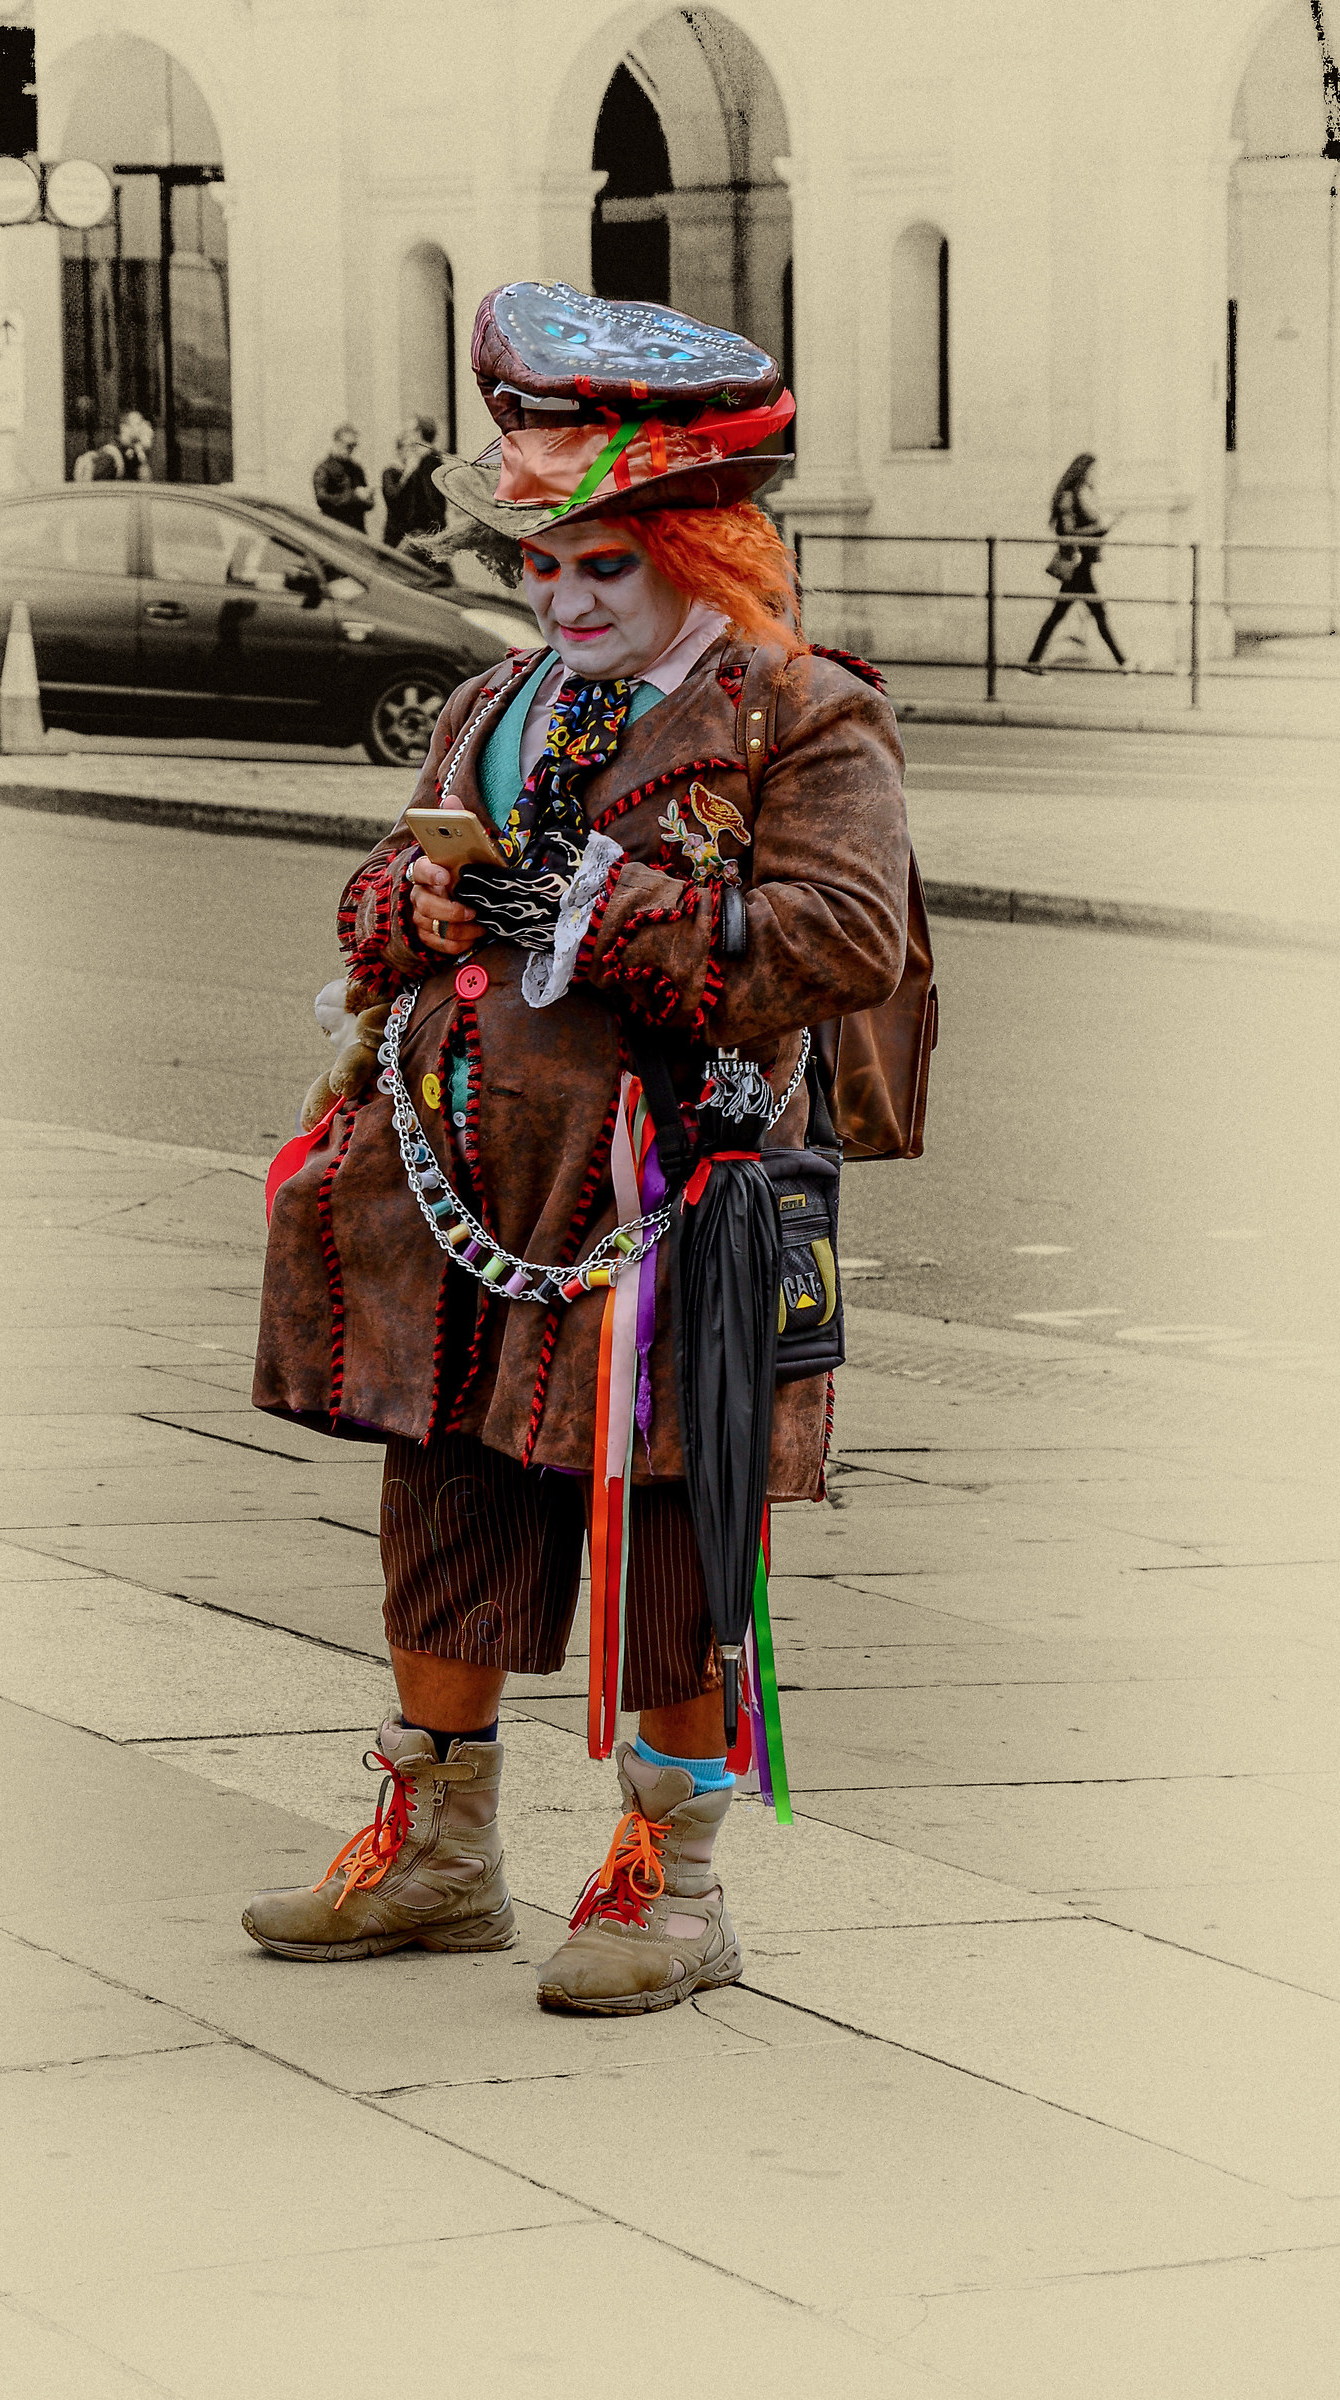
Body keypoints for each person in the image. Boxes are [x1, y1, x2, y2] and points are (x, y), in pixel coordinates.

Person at [245, 281, 910, 2015]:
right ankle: (437, 1856)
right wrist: (414, 895)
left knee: (671, 1538)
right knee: (446, 1500)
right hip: (464, 1204)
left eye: (600, 564)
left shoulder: (800, 713)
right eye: (539, 564)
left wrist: (611, 908)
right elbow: (378, 894)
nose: (560, 598)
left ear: (703, 547)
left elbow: (850, 942)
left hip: (678, 1204)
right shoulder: (494, 703)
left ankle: (666, 1887)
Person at [1023, 452, 1131, 672]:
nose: (1096, 476)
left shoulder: (1084, 496)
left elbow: (1088, 530)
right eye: (1093, 471)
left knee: (1061, 615)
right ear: (1083, 472)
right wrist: (1103, 527)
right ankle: (1124, 663)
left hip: (1083, 565)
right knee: (1094, 613)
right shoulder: (1069, 496)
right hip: (1077, 565)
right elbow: (1069, 532)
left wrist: (1106, 526)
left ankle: (1032, 662)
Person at [380, 414, 448, 548]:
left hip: (423, 536)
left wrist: (420, 533)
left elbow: (431, 502)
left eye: (410, 431)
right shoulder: (422, 461)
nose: (406, 434)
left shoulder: (429, 461)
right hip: (418, 535)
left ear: (419, 433)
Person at [312, 423, 375, 532]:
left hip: (357, 530)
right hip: (334, 530)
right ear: (337, 442)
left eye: (354, 446)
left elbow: (369, 503)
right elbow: (322, 499)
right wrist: (355, 496)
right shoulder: (324, 468)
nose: (351, 449)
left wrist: (367, 497)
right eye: (348, 445)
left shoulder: (356, 469)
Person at [73, 410, 154, 483]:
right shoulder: (111, 456)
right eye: (138, 424)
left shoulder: (131, 452)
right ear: (123, 428)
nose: (144, 427)